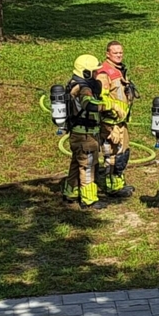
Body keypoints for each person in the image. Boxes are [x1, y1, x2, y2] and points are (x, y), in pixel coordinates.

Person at [61, 55, 109, 210]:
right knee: (88, 166)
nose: (96, 75)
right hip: (86, 136)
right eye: (94, 72)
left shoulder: (73, 84)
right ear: (86, 72)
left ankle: (71, 193)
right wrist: (108, 105)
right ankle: (89, 200)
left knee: (76, 163)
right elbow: (89, 105)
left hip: (77, 133)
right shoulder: (84, 88)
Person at [95, 41, 138, 198]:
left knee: (122, 153)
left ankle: (119, 184)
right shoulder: (104, 74)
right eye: (115, 53)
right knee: (112, 155)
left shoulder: (120, 70)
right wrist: (109, 124)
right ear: (107, 54)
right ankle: (111, 187)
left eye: (121, 52)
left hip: (121, 121)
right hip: (110, 123)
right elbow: (101, 100)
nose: (119, 55)